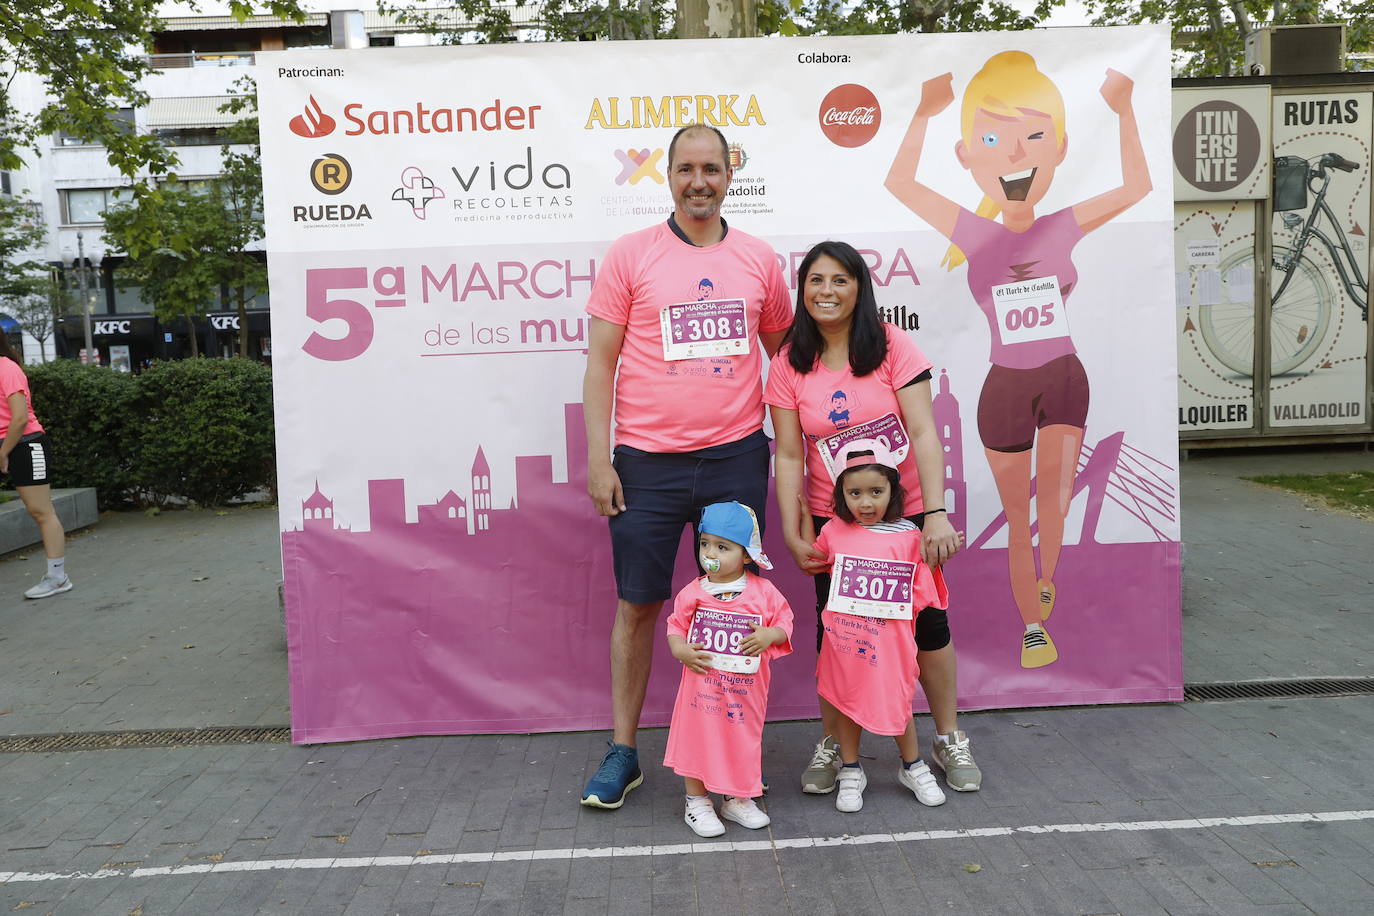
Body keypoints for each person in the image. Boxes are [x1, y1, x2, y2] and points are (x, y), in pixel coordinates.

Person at [883, 51, 1150, 668]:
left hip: (1063, 379)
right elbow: (900, 185)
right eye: (992, 138)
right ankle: (1033, 623)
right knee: (1014, 513)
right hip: (1004, 386)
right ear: (967, 156)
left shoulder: (1064, 224)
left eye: (1032, 136)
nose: (1013, 154)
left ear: (1057, 147)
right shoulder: (975, 234)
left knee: (1052, 503)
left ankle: (1046, 576)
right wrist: (923, 113)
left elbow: (1138, 187)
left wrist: (1125, 108)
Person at [580, 123, 793, 809]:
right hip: (644, 464)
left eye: (711, 167)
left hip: (734, 456)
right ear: (667, 176)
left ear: (731, 173)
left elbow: (786, 363)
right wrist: (598, 458)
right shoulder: (631, 255)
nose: (699, 180)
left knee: (733, 606)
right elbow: (600, 364)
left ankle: (729, 758)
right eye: (685, 168)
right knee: (638, 606)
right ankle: (623, 751)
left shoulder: (759, 259)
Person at [763, 240, 979, 797]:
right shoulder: (789, 361)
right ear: (802, 291)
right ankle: (835, 743)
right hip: (833, 523)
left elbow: (925, 433)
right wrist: (793, 529)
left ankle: (949, 738)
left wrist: (933, 514)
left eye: (839, 280)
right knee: (838, 635)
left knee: (927, 627)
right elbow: (789, 453)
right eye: (815, 281)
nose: (826, 292)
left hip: (902, 519)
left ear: (859, 287)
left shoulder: (891, 347)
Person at [813, 442, 950, 813]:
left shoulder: (910, 539)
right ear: (841, 493)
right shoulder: (832, 533)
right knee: (846, 702)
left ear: (893, 491)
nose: (866, 502)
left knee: (897, 703)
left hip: (891, 647)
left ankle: (912, 765)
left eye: (876, 491)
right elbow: (819, 563)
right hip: (844, 646)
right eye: (854, 493)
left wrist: (935, 558)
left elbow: (925, 596)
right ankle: (851, 769)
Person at [664, 501, 793, 836]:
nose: (710, 553)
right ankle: (697, 801)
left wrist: (770, 635)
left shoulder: (763, 592)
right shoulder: (694, 592)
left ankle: (736, 798)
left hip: (744, 696)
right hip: (700, 693)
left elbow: (785, 622)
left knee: (742, 741)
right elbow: (675, 626)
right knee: (696, 739)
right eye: (705, 543)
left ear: (747, 554)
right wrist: (680, 649)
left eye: (723, 546)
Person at [0, 336, 73, 599]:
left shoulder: (6, 367)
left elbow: (19, 418)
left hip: (26, 444)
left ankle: (57, 578)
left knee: (41, 511)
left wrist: (4, 452)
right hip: (7, 445)